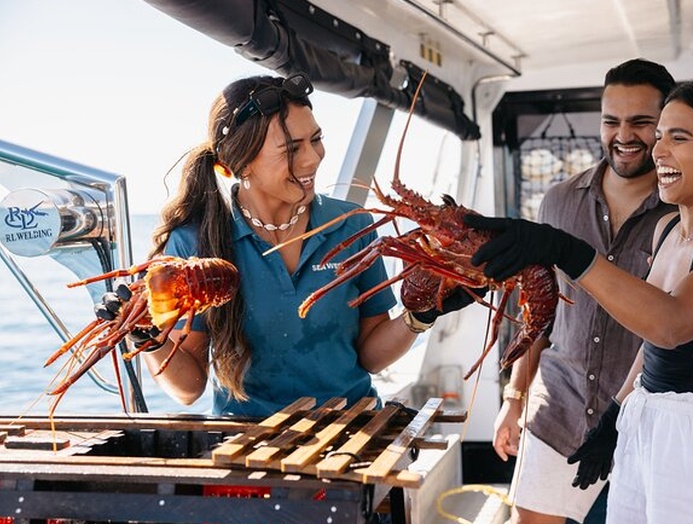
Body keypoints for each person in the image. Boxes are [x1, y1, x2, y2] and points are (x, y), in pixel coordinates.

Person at [467, 73, 693, 523]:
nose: (658, 150)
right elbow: (649, 346)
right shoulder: (670, 229)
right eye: (662, 136)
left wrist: (566, 250)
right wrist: (617, 413)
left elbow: (669, 324)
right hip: (643, 427)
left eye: (679, 137)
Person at [109, 73, 472, 416]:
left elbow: (370, 356)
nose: (313, 157)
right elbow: (189, 389)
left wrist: (420, 315)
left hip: (352, 431)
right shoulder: (193, 243)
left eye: (315, 139)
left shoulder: (353, 224)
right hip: (247, 443)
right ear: (238, 164)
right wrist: (147, 339)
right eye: (291, 148)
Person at [489, 58, 676, 524]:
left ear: (666, 125)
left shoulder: (682, 212)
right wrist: (513, 401)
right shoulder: (557, 202)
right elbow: (536, 311)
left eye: (641, 122)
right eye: (611, 121)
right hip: (559, 404)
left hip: (647, 419)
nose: (624, 135)